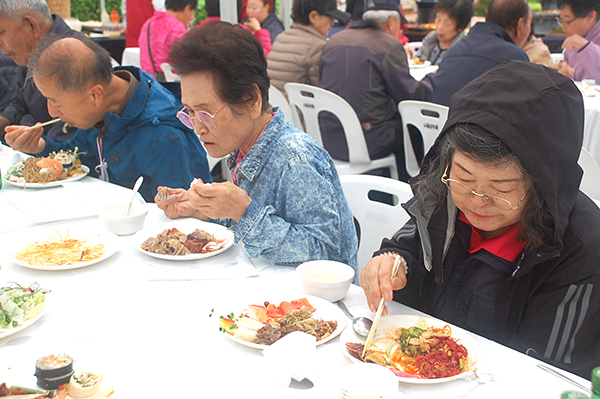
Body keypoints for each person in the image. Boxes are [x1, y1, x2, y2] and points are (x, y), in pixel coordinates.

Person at [360, 61, 600, 378]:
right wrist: (394, 263)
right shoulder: (445, 192)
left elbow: (548, 372)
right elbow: (408, 249)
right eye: (464, 176)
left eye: (501, 188)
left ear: (543, 185)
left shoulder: (579, 249)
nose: (477, 201)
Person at [155, 21, 359, 269]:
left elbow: (327, 256)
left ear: (251, 101)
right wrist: (204, 210)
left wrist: (243, 211)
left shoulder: (296, 159)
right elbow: (257, 231)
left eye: (206, 113)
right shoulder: (245, 147)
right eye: (190, 111)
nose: (198, 127)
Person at [4, 35, 212, 202]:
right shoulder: (102, 105)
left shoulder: (163, 135)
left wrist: (161, 200)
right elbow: (82, 157)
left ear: (95, 95)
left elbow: (182, 203)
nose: (51, 112)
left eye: (55, 101)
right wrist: (41, 146)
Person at [319, 0, 432, 182]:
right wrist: (430, 80)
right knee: (412, 129)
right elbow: (411, 96)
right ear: (390, 22)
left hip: (328, 138)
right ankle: (411, 191)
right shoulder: (387, 46)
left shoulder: (332, 43)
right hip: (367, 142)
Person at [0, 0, 83, 141]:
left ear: (31, 25)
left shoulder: (74, 56)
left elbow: (67, 135)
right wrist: (5, 119)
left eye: (1, 32)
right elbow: (21, 100)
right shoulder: (30, 51)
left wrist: (36, 144)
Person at [426, 0, 531, 106]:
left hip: (439, 121)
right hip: (475, 121)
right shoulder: (515, 58)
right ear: (520, 25)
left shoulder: (455, 50)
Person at [267, 0, 350, 95]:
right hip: (295, 107)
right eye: (330, 18)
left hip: (275, 106)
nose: (332, 24)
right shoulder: (317, 46)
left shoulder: (281, 37)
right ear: (313, 17)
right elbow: (322, 91)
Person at [138, 0, 197, 80]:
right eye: (192, 13)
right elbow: (188, 62)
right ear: (187, 8)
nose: (191, 17)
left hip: (149, 84)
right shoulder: (177, 28)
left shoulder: (147, 25)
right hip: (170, 86)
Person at [199, 0, 272, 57]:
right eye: (249, 7)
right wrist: (260, 32)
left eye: (254, 8)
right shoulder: (242, 33)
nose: (250, 11)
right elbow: (262, 57)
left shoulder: (197, 30)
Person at [418, 0, 473, 66]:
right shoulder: (429, 40)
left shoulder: (463, 51)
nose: (440, 27)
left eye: (447, 24)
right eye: (438, 20)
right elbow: (417, 61)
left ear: (460, 27)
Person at [556, 0, 600, 81]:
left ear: (590, 17)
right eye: (561, 20)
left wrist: (585, 47)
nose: (563, 26)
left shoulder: (578, 41)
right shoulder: (576, 37)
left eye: (567, 21)